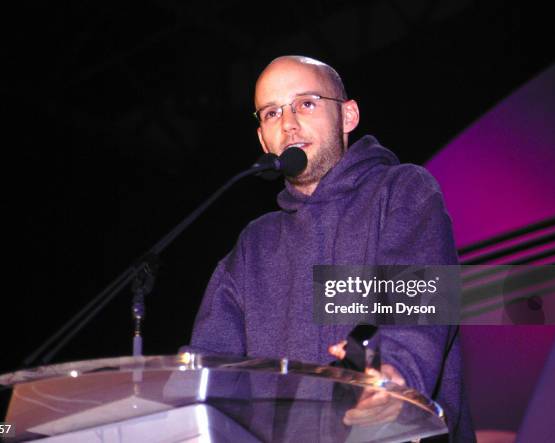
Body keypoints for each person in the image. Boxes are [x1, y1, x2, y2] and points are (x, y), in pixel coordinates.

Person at [186, 55, 474, 441]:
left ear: (349, 116)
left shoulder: (401, 192)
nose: (288, 124)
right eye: (272, 113)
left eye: (306, 103)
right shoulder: (252, 247)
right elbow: (212, 370)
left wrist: (393, 376)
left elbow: (417, 308)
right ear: (261, 138)